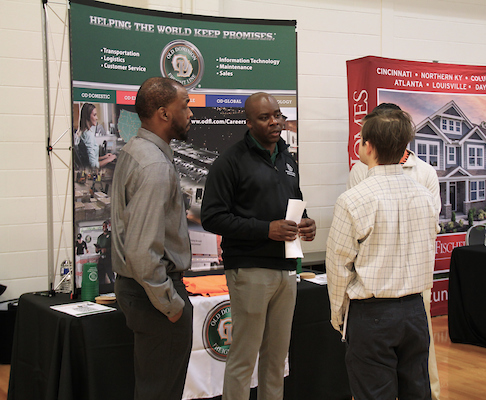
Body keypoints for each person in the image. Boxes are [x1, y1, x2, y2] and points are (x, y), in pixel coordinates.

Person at [200, 92, 316, 400]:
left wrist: (306, 223)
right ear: (248, 122)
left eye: (277, 114)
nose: (275, 121)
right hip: (249, 269)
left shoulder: (287, 159)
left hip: (287, 269)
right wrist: (267, 230)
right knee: (244, 358)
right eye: (265, 117)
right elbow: (212, 218)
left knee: (277, 360)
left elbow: (294, 206)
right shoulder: (230, 162)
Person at [327, 109, 437, 400]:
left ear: (368, 146)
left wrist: (338, 315)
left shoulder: (353, 199)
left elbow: (339, 264)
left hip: (372, 314)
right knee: (417, 392)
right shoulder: (425, 196)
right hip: (415, 311)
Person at [111, 77, 194, 400]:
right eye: (184, 105)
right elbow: (142, 251)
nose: (190, 113)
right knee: (160, 391)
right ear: (163, 113)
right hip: (155, 297)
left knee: (152, 387)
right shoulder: (154, 165)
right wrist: (170, 305)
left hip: (140, 292)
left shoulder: (135, 149)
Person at [77, 103, 116, 169]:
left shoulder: (84, 133)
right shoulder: (88, 135)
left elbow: (89, 160)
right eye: (94, 115)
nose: (97, 118)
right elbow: (93, 165)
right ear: (87, 117)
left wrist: (104, 157)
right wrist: (109, 159)